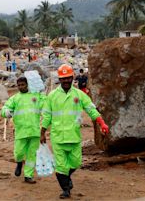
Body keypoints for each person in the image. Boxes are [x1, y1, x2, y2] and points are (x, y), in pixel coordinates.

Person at [41, 64, 109, 199]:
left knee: (76, 163)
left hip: (74, 136)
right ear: (59, 80)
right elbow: (47, 116)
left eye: (68, 78)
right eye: (63, 78)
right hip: (58, 137)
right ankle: (66, 189)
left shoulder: (79, 95)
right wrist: (42, 132)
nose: (66, 81)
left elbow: (91, 109)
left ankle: (67, 177)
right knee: (61, 167)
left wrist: (102, 123)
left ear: (72, 78)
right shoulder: (52, 96)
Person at [1, 77, 46, 184]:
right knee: (19, 153)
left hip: (34, 131)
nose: (21, 87)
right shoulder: (15, 98)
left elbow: (45, 104)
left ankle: (28, 175)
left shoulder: (36, 96)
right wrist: (6, 112)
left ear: (27, 85)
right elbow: (5, 108)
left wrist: (42, 94)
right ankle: (19, 163)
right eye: (19, 85)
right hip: (21, 131)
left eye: (23, 85)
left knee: (32, 155)